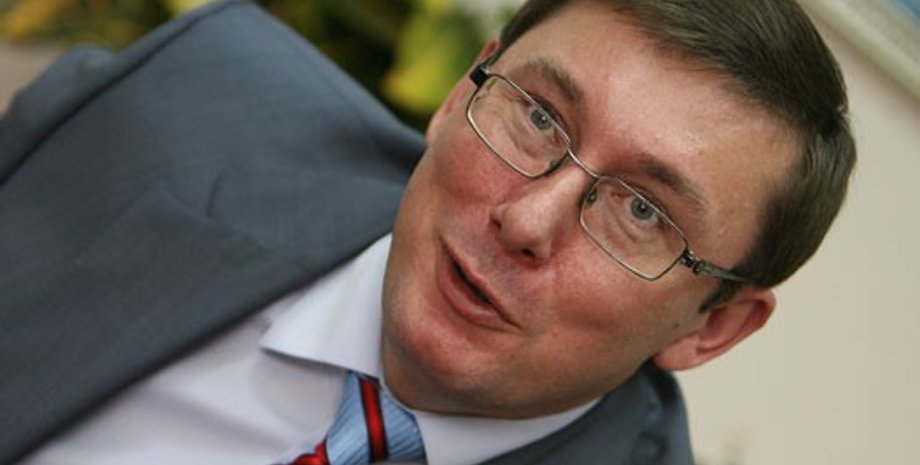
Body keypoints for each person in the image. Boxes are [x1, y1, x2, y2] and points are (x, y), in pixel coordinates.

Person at [0, 0, 854, 463]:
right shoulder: (186, 96)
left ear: (714, 326)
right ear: (458, 94)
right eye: (537, 118)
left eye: (642, 212)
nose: (526, 220)